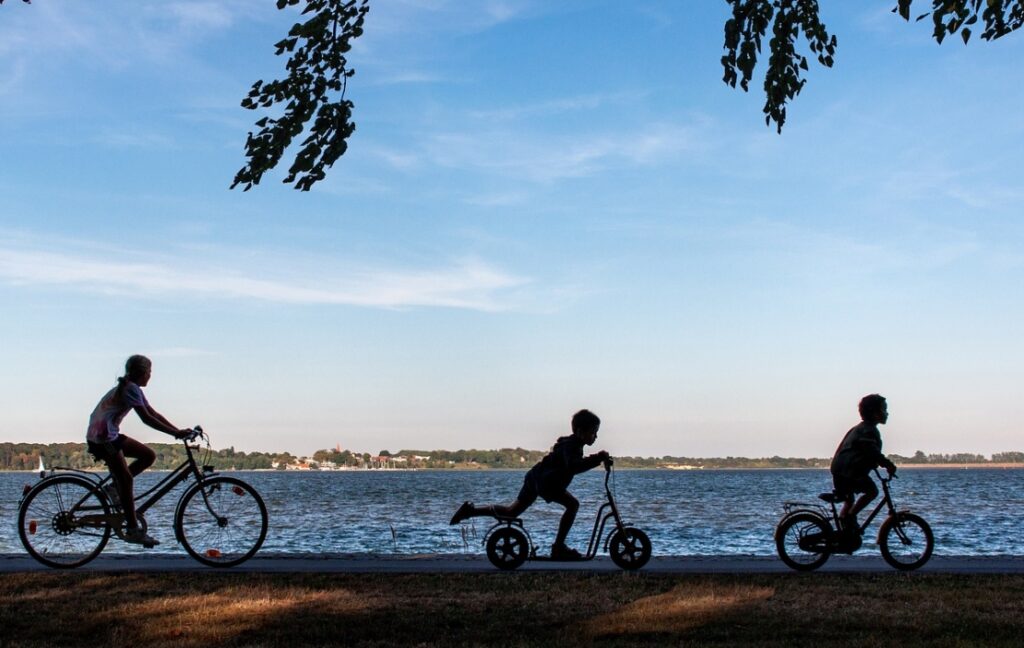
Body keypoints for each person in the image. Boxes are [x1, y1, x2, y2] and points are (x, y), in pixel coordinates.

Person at [449, 409, 610, 560]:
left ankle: (471, 511)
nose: (595, 436)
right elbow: (573, 466)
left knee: (511, 512)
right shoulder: (571, 446)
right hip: (546, 482)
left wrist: (597, 459)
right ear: (580, 432)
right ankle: (558, 547)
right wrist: (597, 459)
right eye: (593, 432)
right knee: (573, 505)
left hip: (535, 477)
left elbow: (574, 464)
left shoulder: (572, 444)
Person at [86, 355, 193, 546]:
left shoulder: (133, 388)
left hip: (108, 434)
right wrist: (175, 434)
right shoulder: (130, 388)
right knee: (126, 479)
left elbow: (153, 413)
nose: (151, 375)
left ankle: (113, 488)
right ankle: (133, 529)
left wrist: (177, 431)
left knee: (148, 455)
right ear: (141, 373)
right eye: (149, 372)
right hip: (102, 437)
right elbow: (147, 419)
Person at [830, 393, 897, 537]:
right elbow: (872, 451)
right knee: (872, 492)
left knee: (849, 500)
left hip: (840, 471)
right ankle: (849, 518)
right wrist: (888, 465)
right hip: (849, 472)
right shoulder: (868, 430)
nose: (887, 413)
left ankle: (844, 533)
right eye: (884, 409)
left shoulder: (860, 428)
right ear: (874, 413)